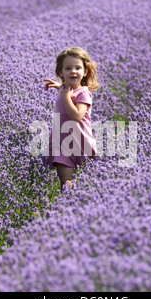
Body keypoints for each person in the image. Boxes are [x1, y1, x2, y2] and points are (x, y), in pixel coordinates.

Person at [43, 46, 99, 193]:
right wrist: (59, 87)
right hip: (62, 145)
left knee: (83, 185)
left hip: (81, 144)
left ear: (85, 71)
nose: (73, 71)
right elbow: (65, 89)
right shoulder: (64, 89)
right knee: (65, 184)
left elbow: (76, 116)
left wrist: (66, 97)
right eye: (68, 68)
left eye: (77, 68)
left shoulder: (83, 94)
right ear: (61, 72)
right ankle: (66, 208)